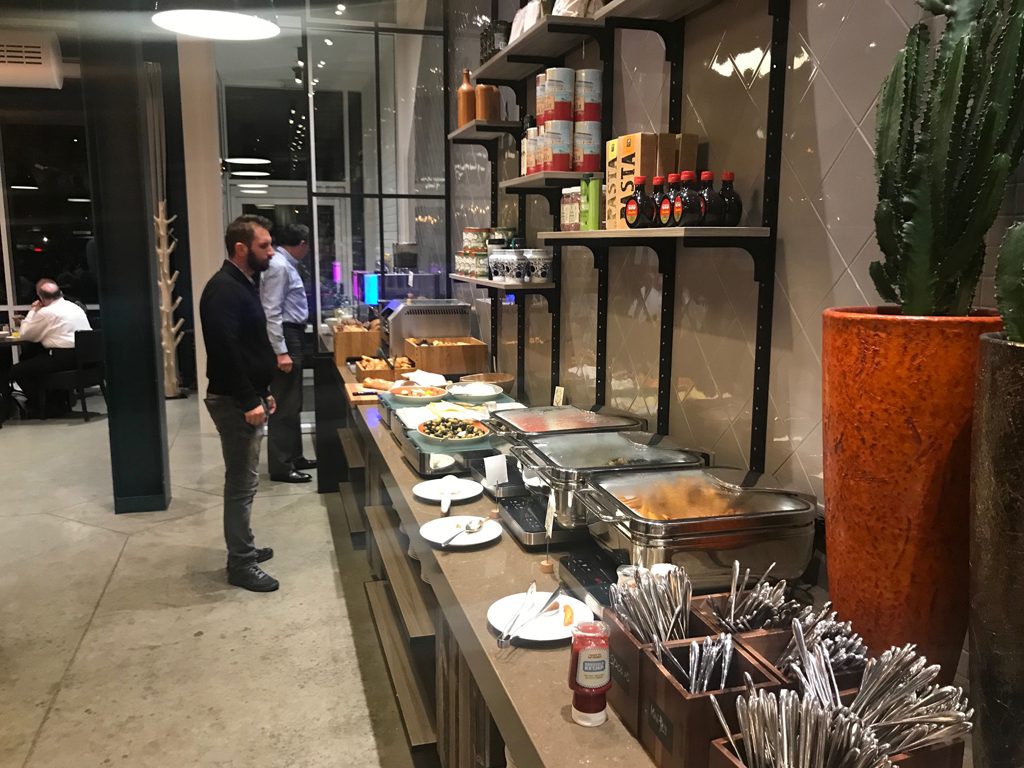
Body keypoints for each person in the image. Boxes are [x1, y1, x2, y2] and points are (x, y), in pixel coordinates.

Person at [200, 214, 280, 593]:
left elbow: (250, 346)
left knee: (245, 481)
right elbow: (225, 350)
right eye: (264, 245)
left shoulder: (243, 283)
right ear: (240, 248)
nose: (271, 251)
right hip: (234, 401)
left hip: (246, 395)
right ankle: (241, 563)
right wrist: (249, 398)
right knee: (241, 483)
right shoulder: (223, 290)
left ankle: (244, 547)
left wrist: (263, 390)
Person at [260, 223, 317, 483]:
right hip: (286, 334)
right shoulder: (280, 266)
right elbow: (271, 311)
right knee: (284, 403)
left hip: (293, 333)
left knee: (294, 401)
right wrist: (280, 351)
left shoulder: (285, 264)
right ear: (302, 244)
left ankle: (295, 456)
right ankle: (282, 466)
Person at [10, 278, 92, 417]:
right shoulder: (74, 307)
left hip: (64, 359)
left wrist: (33, 310)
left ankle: (44, 406)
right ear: (60, 292)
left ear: (40, 297)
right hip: (87, 358)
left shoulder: (46, 312)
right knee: (33, 359)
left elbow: (25, 334)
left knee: (17, 370)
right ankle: (57, 402)